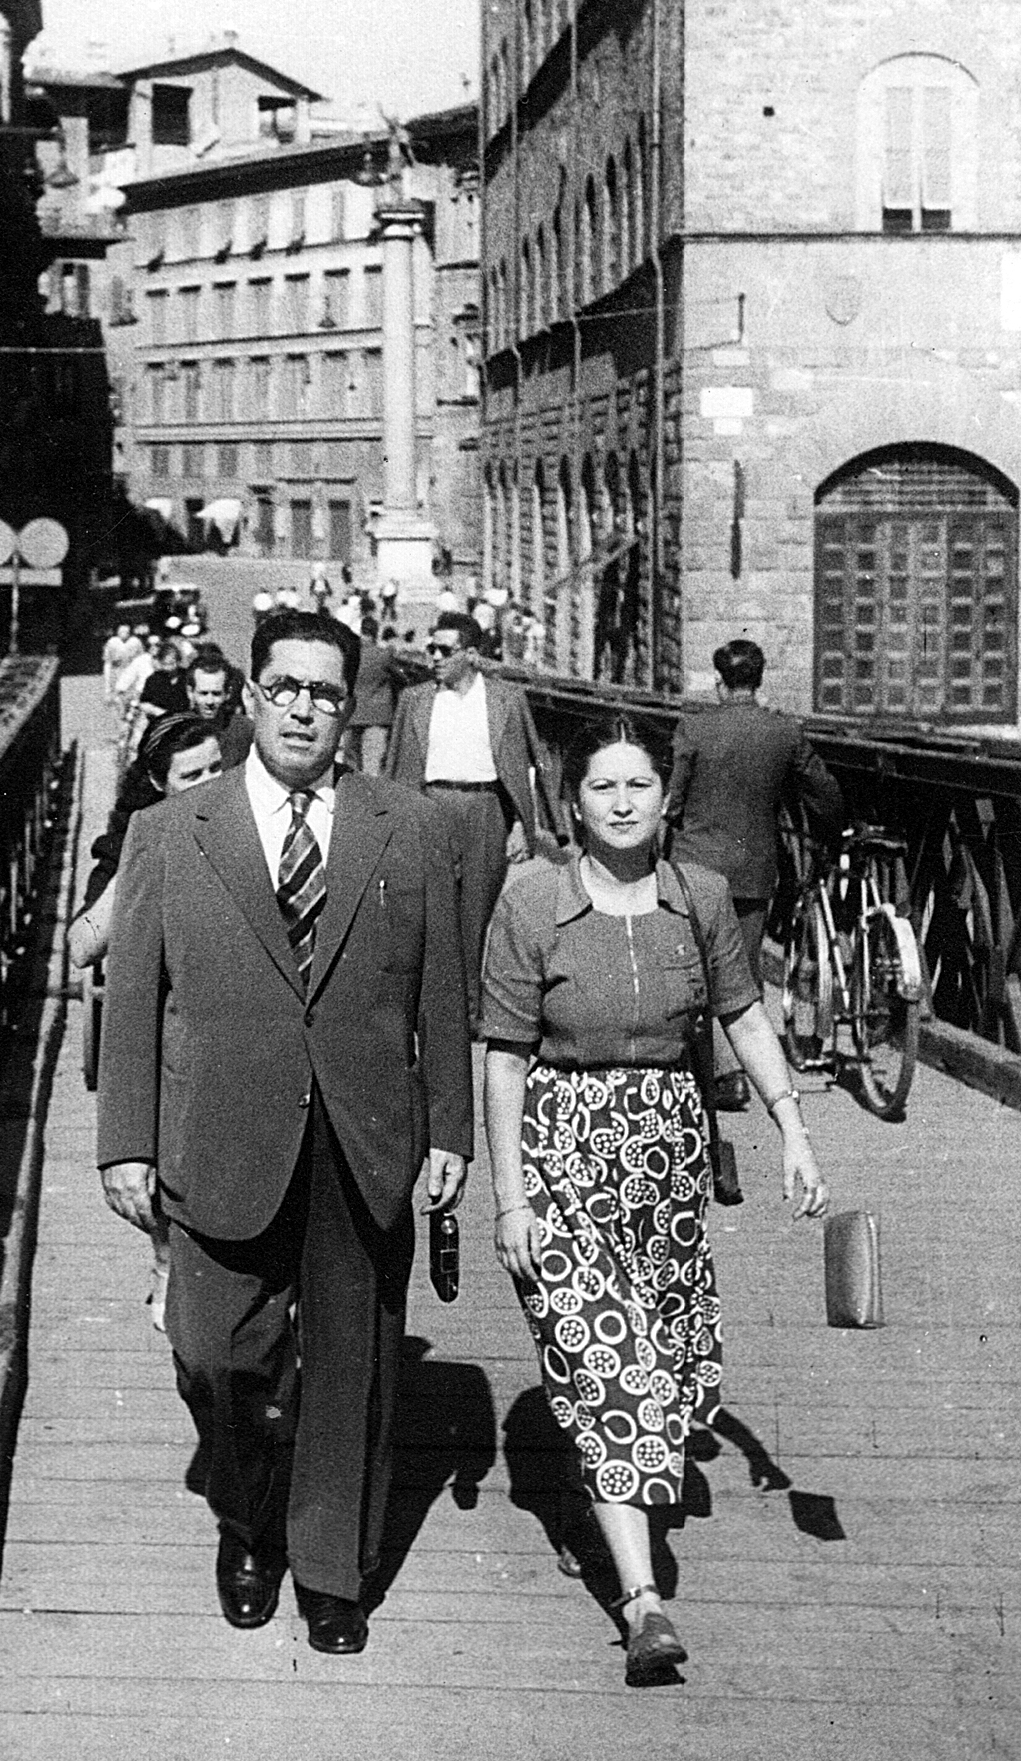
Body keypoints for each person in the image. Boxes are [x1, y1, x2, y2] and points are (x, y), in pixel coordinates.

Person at [96, 608, 473, 1656]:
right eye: (285, 687)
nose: (304, 707)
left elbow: (443, 994)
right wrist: (124, 1139)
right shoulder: (173, 831)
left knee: (352, 1361)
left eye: (324, 691)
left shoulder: (411, 825)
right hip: (215, 1130)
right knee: (215, 1354)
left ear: (350, 709)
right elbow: (133, 996)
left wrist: (450, 1129)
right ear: (251, 697)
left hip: (365, 1134)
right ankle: (245, 1516)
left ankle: (326, 1570)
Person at [481, 711, 830, 1685]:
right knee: (613, 1369)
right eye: (604, 788)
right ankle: (644, 1604)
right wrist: (511, 1202)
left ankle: (580, 1496)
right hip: (562, 1149)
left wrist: (793, 1128)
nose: (624, 803)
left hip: (668, 1160)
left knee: (665, 1364)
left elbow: (743, 1015)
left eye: (639, 786)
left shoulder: (701, 898)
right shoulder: (530, 902)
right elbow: (503, 1060)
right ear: (575, 804)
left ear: (665, 797)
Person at [70, 714, 227, 1329]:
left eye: (219, 767)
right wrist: (133, 872)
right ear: (161, 784)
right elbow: (81, 946)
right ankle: (165, 1260)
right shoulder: (141, 838)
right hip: (168, 1028)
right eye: (193, 775)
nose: (211, 782)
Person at [665, 638, 844, 1108]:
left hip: (695, 867)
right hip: (753, 868)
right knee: (741, 970)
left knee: (695, 964)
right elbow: (822, 791)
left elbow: (673, 801)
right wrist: (832, 833)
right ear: (758, 681)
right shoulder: (784, 732)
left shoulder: (693, 729)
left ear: (720, 684)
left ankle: (708, 1070)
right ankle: (742, 1071)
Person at [385, 610, 559, 1027]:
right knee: (428, 911)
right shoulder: (416, 700)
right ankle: (428, 1007)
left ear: (471, 654)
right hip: (430, 807)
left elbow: (529, 765)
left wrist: (523, 824)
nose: (434, 657)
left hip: (484, 811)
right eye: (431, 648)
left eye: (444, 650)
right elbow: (396, 765)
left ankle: (470, 1011)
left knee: (475, 917)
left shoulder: (505, 699)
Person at [339, 615, 399, 776]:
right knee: (372, 766)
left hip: (351, 714)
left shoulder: (349, 655)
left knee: (350, 765)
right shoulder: (384, 654)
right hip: (377, 715)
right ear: (376, 632)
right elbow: (400, 675)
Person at [185, 643, 253, 768]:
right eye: (203, 693)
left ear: (228, 693)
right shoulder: (176, 729)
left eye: (216, 694)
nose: (209, 701)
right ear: (190, 693)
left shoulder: (244, 730)